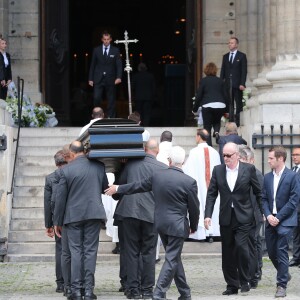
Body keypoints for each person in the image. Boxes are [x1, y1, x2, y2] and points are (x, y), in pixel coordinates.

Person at [105, 146, 200, 300]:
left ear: (169, 160)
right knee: (167, 257)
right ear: (183, 161)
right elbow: (194, 207)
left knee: (171, 257)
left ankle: (183, 292)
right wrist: (194, 226)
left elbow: (138, 186)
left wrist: (118, 188)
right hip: (169, 222)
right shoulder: (188, 181)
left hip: (158, 221)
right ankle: (156, 291)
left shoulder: (158, 175)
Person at [204, 142, 262, 295]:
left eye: (229, 155)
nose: (226, 158)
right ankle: (232, 285)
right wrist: (208, 215)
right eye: (224, 155)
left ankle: (245, 280)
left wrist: (264, 212)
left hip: (244, 216)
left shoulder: (248, 170)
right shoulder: (218, 170)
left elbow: (258, 192)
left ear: (237, 155)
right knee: (228, 251)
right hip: (226, 217)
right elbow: (211, 194)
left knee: (242, 247)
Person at [54, 141, 108, 300]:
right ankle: (89, 290)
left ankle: (76, 291)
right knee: (90, 252)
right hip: (93, 213)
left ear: (71, 153)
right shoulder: (99, 166)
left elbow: (60, 199)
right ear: (83, 151)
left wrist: (57, 222)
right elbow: (104, 187)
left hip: (73, 216)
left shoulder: (66, 170)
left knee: (76, 252)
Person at [114, 139, 168, 299]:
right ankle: (147, 289)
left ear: (145, 149)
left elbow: (119, 190)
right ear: (157, 150)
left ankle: (133, 289)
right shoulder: (163, 168)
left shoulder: (130, 165)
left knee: (130, 252)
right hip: (151, 214)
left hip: (129, 212)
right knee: (149, 252)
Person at [262, 146, 300, 298]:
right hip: (270, 219)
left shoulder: (292, 176)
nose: (269, 160)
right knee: (271, 253)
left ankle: (281, 285)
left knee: (281, 251)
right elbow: (263, 198)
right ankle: (285, 273)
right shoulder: (267, 177)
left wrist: (279, 217)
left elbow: (294, 200)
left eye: (271, 158)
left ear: (280, 159)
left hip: (285, 220)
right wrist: (268, 215)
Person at [183, 129, 221, 241]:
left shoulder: (194, 152)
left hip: (199, 186)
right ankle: (212, 232)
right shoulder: (214, 152)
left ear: (199, 137)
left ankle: (201, 234)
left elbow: (187, 170)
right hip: (212, 187)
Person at [238, 145, 264, 288]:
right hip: (248, 214)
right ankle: (256, 271)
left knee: (253, 244)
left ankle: (254, 273)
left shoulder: (256, 174)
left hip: (254, 215)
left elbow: (256, 197)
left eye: (243, 160)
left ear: (251, 160)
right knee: (255, 242)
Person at [44, 150, 68, 293]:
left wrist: (49, 224)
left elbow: (47, 203)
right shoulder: (72, 174)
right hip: (72, 216)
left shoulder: (50, 178)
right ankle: (72, 281)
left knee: (60, 250)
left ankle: (60, 283)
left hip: (57, 218)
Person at [192, 62, 228, 146]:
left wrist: (194, 108)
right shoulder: (220, 81)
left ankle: (209, 146)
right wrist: (227, 109)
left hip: (207, 105)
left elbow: (199, 95)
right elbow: (226, 95)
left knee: (207, 126)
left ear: (206, 70)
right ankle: (216, 132)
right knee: (217, 121)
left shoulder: (203, 81)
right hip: (220, 105)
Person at [88, 31, 122, 118]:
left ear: (110, 40)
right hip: (98, 77)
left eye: (108, 39)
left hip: (111, 78)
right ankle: (97, 115)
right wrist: (90, 78)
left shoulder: (115, 50)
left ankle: (110, 117)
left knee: (111, 100)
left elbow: (118, 64)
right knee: (96, 97)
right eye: (104, 39)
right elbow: (93, 65)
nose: (106, 41)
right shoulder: (96, 50)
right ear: (102, 40)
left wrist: (119, 77)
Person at [220, 37, 247, 127]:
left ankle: (238, 121)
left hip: (237, 84)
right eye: (229, 43)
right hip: (227, 84)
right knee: (229, 102)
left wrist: (242, 83)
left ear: (236, 45)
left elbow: (244, 71)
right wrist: (221, 83)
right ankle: (231, 121)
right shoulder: (225, 56)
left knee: (238, 102)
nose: (229, 44)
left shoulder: (242, 56)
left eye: (231, 43)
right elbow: (223, 71)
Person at [155, 130, 173, 261]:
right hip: (172, 188)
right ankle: (171, 254)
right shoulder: (175, 150)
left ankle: (155, 255)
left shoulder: (157, 150)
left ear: (161, 139)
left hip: (158, 188)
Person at [289, 147, 300, 267]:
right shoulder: (292, 170)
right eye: (293, 155)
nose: (294, 157)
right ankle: (296, 258)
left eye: (297, 155)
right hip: (294, 209)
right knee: (295, 234)